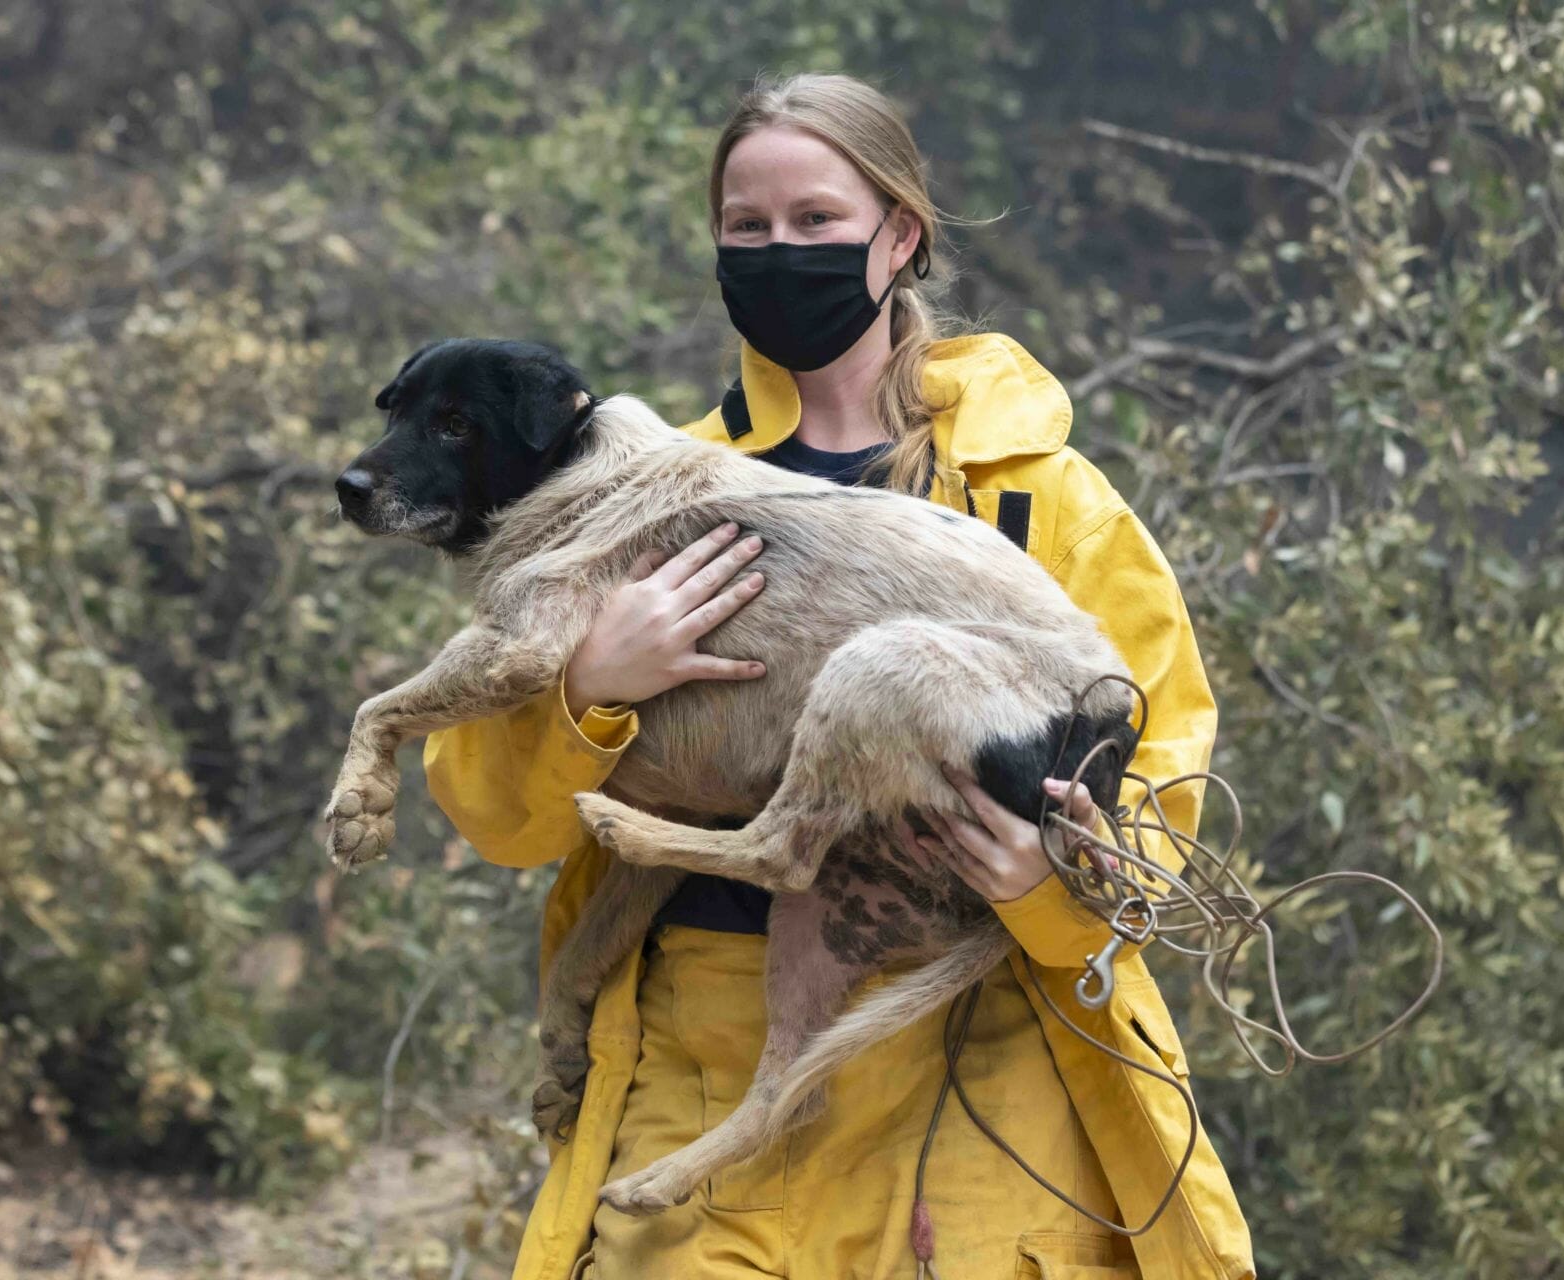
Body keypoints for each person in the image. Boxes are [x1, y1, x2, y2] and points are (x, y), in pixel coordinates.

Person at [422, 72, 1255, 1280]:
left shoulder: (1042, 500)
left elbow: (1158, 792)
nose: (779, 252)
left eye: (815, 220)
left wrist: (1049, 883)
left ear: (899, 236)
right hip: (703, 1064)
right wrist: (587, 682)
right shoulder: (634, 488)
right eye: (746, 227)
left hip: (979, 1080)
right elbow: (498, 817)